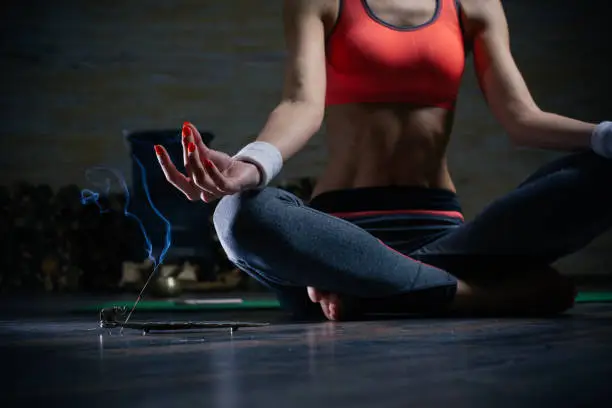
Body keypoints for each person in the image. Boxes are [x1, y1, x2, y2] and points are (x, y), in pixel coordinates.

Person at [154, 0, 612, 321]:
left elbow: (521, 119)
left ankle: (378, 292)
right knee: (239, 213)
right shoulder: (321, 1)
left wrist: (602, 135)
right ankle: (469, 297)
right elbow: (301, 104)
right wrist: (252, 163)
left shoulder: (473, 4)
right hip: (336, 243)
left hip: (446, 239)